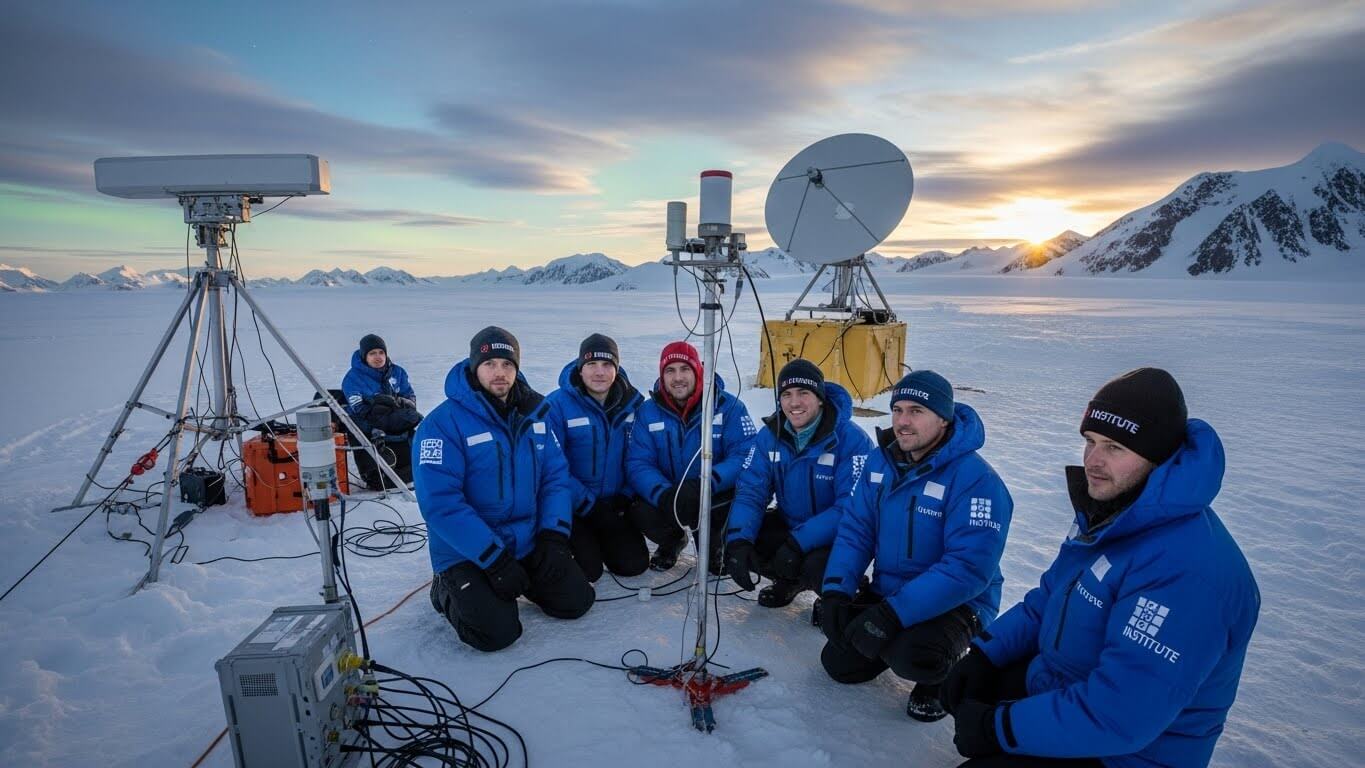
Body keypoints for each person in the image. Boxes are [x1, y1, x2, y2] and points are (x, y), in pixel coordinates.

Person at [943, 368, 1260, 768]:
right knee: (972, 689)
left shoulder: (1189, 572)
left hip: (1128, 753)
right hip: (1071, 684)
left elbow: (1121, 714)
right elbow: (1048, 598)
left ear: (1158, 457)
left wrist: (999, 727)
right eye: (1090, 442)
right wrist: (986, 653)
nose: (1093, 461)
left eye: (1115, 447)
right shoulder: (1114, 512)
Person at [820, 370, 1013, 722]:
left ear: (943, 418)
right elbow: (856, 529)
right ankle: (889, 639)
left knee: (915, 655)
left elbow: (968, 568)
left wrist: (891, 615)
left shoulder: (977, 480)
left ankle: (940, 680)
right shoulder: (882, 462)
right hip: (892, 593)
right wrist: (837, 590)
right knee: (838, 663)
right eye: (897, 410)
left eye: (916, 411)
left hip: (958, 605)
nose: (902, 422)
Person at [414, 326, 594, 652]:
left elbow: (555, 478)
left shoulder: (534, 416)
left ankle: (522, 576)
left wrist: (553, 537)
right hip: (468, 551)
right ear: (474, 367)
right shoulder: (441, 424)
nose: (500, 373)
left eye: (507, 364)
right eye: (490, 364)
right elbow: (440, 503)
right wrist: (493, 559)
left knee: (576, 601)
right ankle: (444, 588)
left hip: (525, 540)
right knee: (497, 633)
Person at [723, 359, 872, 610]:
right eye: (787, 394)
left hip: (839, 535)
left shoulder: (852, 440)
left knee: (818, 565)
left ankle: (842, 595)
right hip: (792, 524)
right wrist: (738, 540)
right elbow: (751, 492)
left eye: (804, 393)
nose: (794, 403)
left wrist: (797, 543)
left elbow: (851, 507)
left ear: (820, 398)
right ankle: (789, 581)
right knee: (750, 539)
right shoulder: (770, 436)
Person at [626, 340, 757, 572]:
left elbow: (746, 454)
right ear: (662, 375)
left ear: (698, 370)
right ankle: (673, 539)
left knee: (729, 505)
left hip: (712, 493)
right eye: (670, 370)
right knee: (640, 509)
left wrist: (709, 482)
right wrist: (663, 493)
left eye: (685, 369)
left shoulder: (728, 407)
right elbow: (638, 462)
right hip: (671, 493)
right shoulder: (647, 412)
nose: (678, 377)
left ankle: (714, 545)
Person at [544, 333, 649, 582]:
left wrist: (625, 494)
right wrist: (587, 504)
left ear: (616, 368)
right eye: (591, 364)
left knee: (633, 565)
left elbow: (639, 456)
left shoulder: (632, 405)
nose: (599, 372)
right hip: (574, 506)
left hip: (615, 504)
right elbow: (551, 465)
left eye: (607, 364)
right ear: (580, 370)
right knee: (588, 571)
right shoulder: (556, 406)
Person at [342, 333, 420, 439]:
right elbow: (357, 407)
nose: (378, 357)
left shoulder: (398, 372)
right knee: (358, 421)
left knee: (417, 418)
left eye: (381, 352)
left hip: (393, 415)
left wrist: (399, 401)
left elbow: (409, 396)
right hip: (366, 420)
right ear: (364, 356)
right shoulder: (353, 377)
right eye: (372, 353)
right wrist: (374, 404)